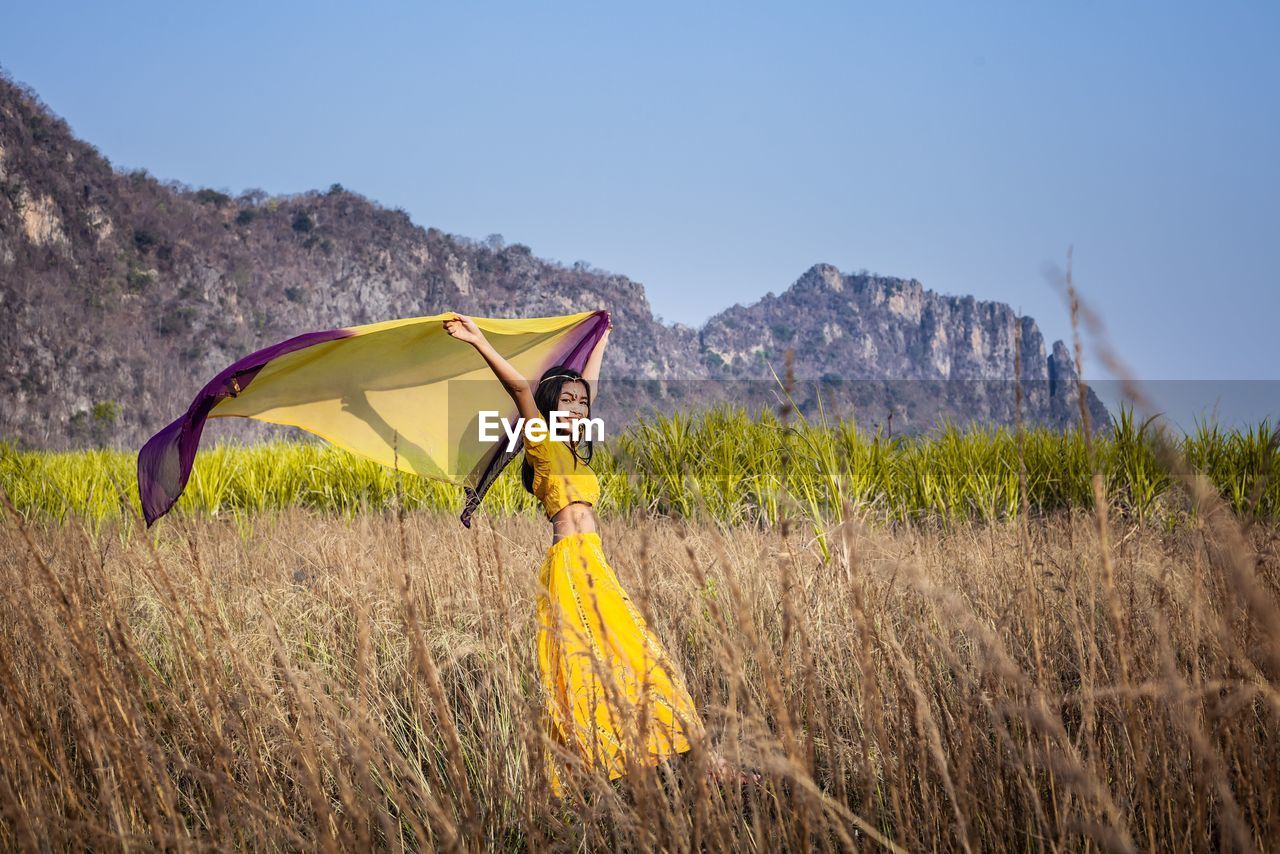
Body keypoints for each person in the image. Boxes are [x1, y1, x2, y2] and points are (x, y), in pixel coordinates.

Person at [443, 311, 747, 796]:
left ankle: (699, 762)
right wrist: (478, 339)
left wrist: (601, 335)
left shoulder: (578, 449)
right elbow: (520, 388)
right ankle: (615, 769)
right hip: (570, 565)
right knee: (588, 671)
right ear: (548, 408)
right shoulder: (541, 443)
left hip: (596, 565)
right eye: (566, 402)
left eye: (581, 405)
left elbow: (589, 385)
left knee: (647, 660)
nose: (578, 408)